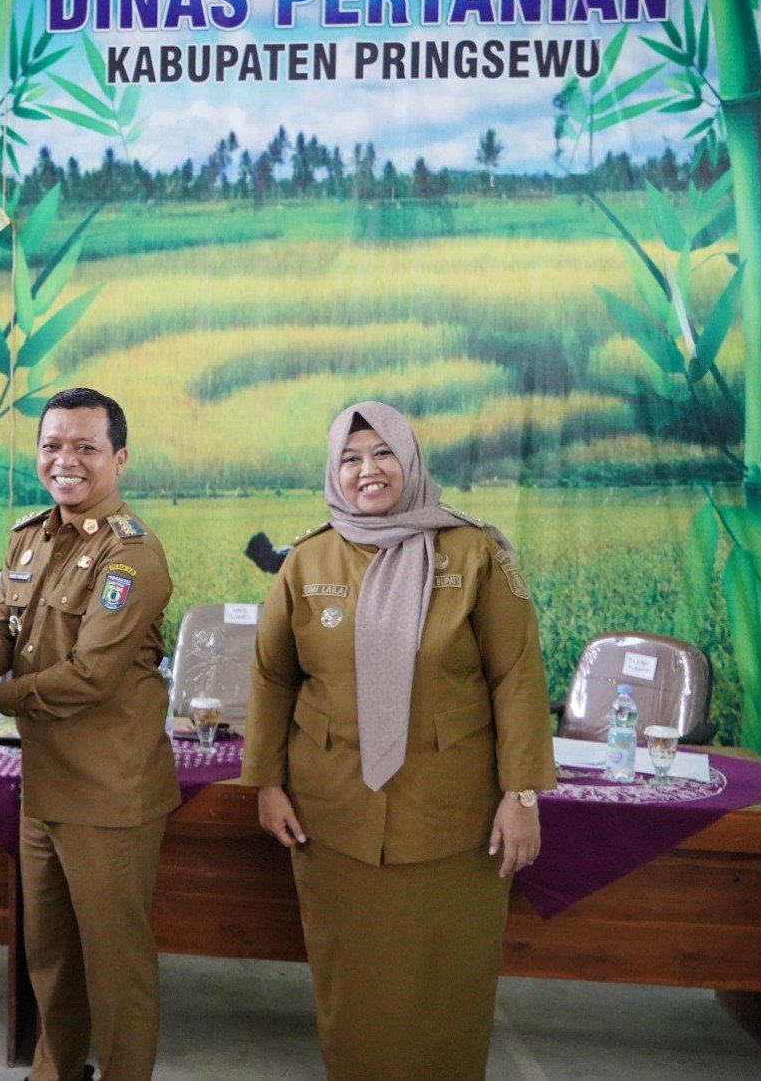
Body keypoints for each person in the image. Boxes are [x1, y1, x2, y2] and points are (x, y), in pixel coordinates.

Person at [241, 400, 556, 1081]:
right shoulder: (308, 559)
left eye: (383, 452)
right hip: (332, 816)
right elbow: (271, 676)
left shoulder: (473, 552)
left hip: (452, 818)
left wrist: (522, 793)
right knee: (351, 985)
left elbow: (517, 677)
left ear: (410, 459)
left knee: (447, 985)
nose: (369, 470)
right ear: (334, 471)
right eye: (351, 458)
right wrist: (266, 783)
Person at [0, 387, 177, 1081]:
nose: (65, 460)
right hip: (44, 785)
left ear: (119, 459)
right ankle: (54, 1072)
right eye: (52, 445)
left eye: (85, 447)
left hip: (109, 794)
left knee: (116, 967)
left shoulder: (130, 556)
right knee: (51, 958)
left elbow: (89, 677)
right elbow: (6, 639)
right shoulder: (28, 537)